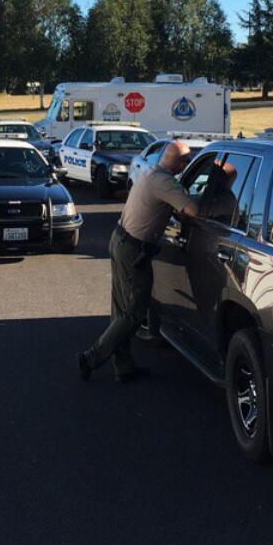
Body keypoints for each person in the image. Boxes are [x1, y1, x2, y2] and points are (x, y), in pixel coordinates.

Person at [77, 140, 199, 382]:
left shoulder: (151, 172)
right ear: (180, 163)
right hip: (134, 250)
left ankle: (123, 367)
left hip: (121, 240)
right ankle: (91, 357)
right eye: (186, 161)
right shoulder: (164, 181)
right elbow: (192, 210)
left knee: (121, 309)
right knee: (135, 310)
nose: (186, 165)